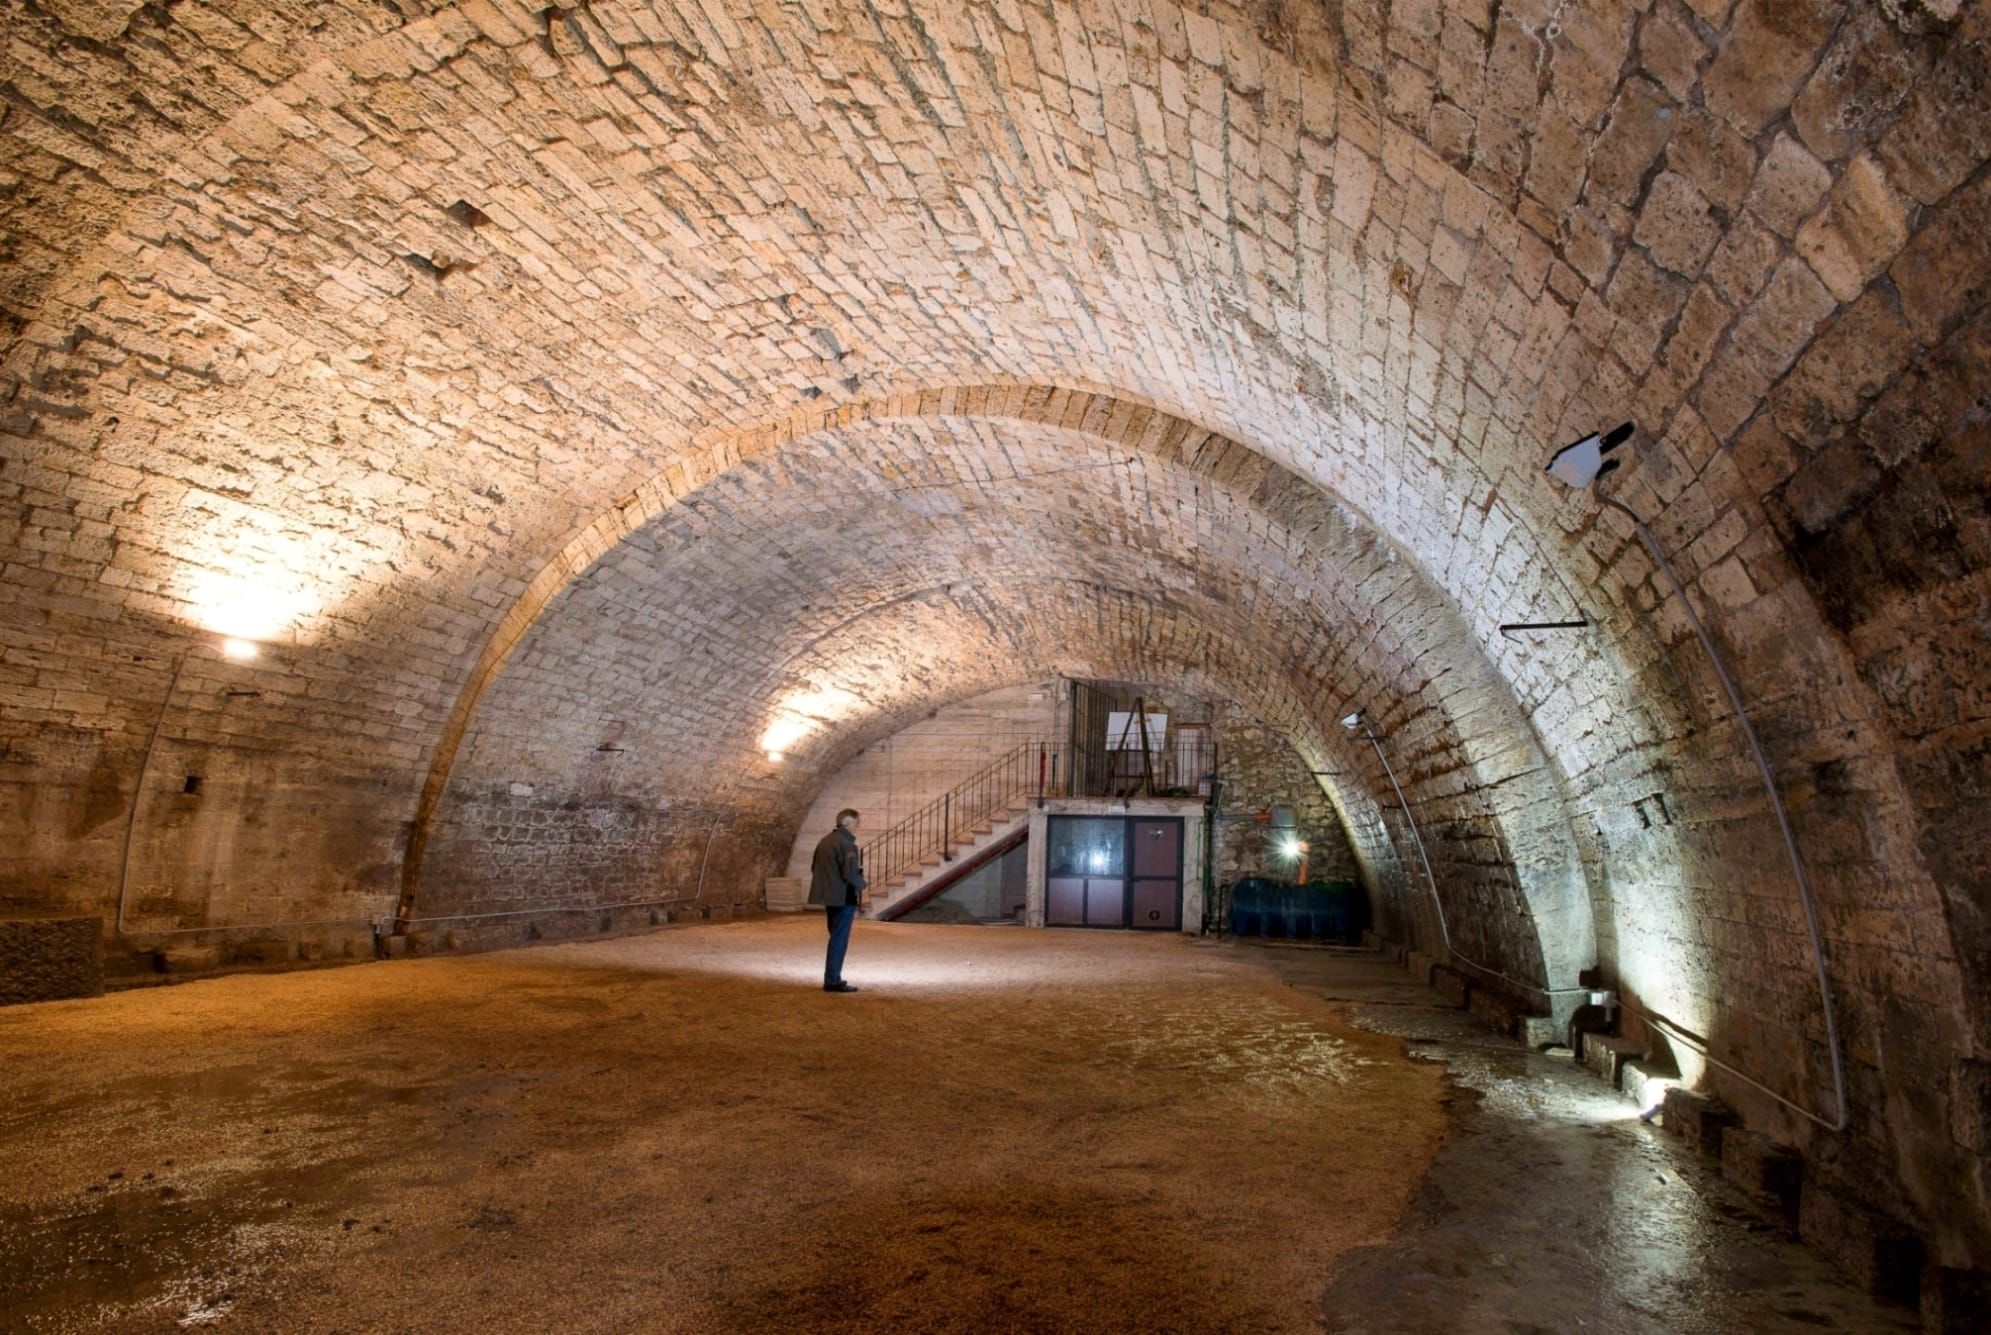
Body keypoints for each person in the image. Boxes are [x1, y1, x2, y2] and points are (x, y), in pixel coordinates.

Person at [807, 808, 865, 992]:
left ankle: (832, 977)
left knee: (835, 937)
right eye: (857, 823)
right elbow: (850, 873)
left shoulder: (825, 842)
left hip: (830, 896)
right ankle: (832, 980)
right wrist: (863, 885)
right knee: (839, 940)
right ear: (848, 823)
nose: (858, 827)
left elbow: (813, 867)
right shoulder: (847, 844)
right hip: (843, 897)